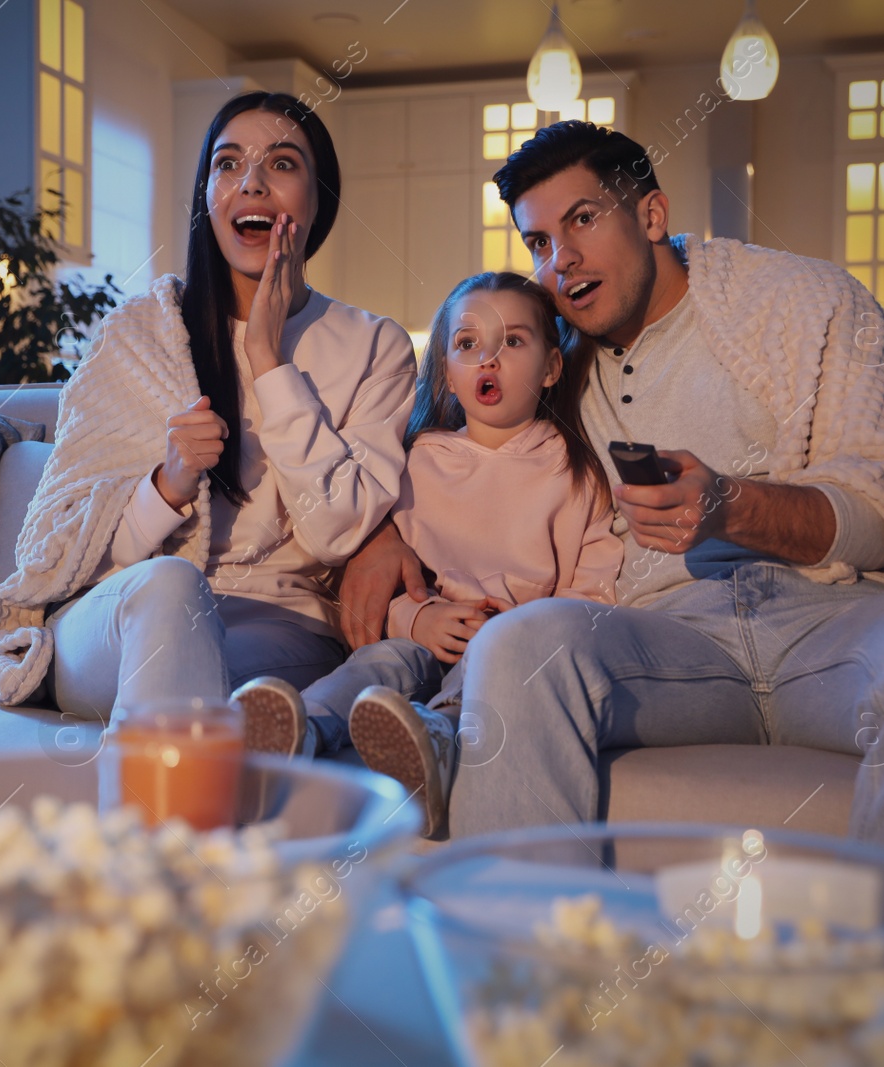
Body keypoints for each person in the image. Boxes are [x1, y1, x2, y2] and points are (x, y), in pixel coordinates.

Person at [338, 121, 884, 876]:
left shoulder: (807, 305)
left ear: (652, 215)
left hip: (834, 621)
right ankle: (524, 977)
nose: (562, 261)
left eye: (583, 220)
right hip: (667, 642)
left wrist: (733, 505)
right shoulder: (553, 363)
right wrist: (384, 537)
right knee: (520, 644)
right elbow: (454, 451)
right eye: (539, 242)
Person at [0, 92, 423, 721]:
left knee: (194, 647)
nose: (251, 183)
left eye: (281, 164)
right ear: (207, 197)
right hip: (117, 612)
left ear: (321, 198)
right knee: (171, 585)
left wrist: (268, 359)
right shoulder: (137, 335)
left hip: (277, 627)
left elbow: (338, 529)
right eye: (228, 165)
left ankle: (154, 811)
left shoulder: (376, 345)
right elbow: (52, 543)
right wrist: (167, 484)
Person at [234, 271, 622, 836]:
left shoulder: (576, 473)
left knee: (475, 673)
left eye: (513, 341)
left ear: (552, 365)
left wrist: (518, 633)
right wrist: (417, 616)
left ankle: (434, 740)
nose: (488, 358)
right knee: (380, 663)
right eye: (468, 344)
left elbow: (592, 597)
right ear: (446, 370)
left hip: (507, 652)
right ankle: (299, 728)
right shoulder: (414, 463)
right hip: (421, 633)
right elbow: (375, 581)